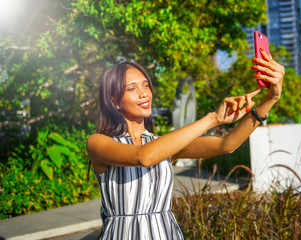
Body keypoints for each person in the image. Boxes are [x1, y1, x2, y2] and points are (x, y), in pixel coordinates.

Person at [86, 48, 285, 239]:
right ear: (114, 101)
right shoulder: (98, 142)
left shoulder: (161, 144)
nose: (144, 93)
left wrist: (270, 99)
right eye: (132, 88)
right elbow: (143, 157)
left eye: (146, 85)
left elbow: (227, 144)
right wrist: (213, 118)